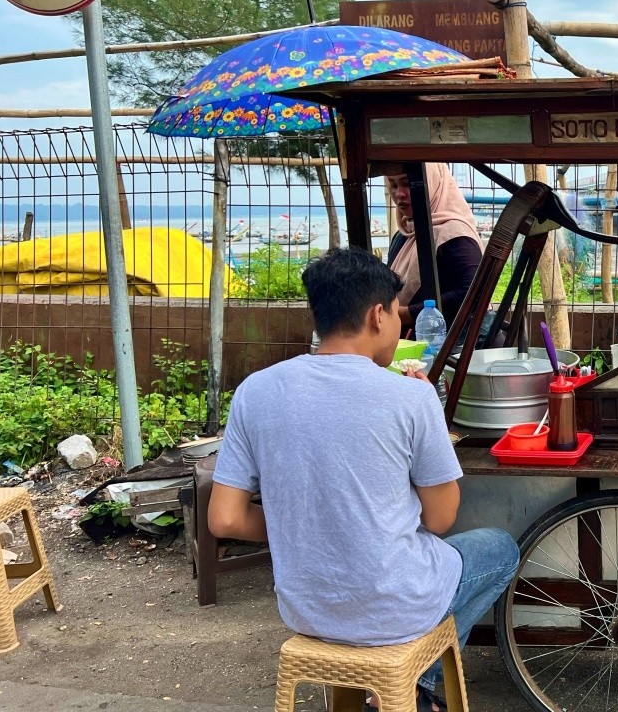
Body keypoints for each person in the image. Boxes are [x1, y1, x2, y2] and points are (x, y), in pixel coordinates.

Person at [207, 247, 518, 712]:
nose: (398, 325)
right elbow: (441, 519)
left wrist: (311, 525)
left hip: (306, 610)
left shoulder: (255, 391)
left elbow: (225, 519)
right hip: (395, 606)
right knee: (499, 547)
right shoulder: (411, 398)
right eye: (396, 313)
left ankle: (405, 691)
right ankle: (416, 686)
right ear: (377, 315)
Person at [386, 163, 483, 332]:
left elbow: (473, 292)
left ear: (433, 183)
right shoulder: (405, 234)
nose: (399, 194)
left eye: (408, 183)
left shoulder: (454, 235)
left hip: (450, 339)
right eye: (393, 185)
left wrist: (409, 314)